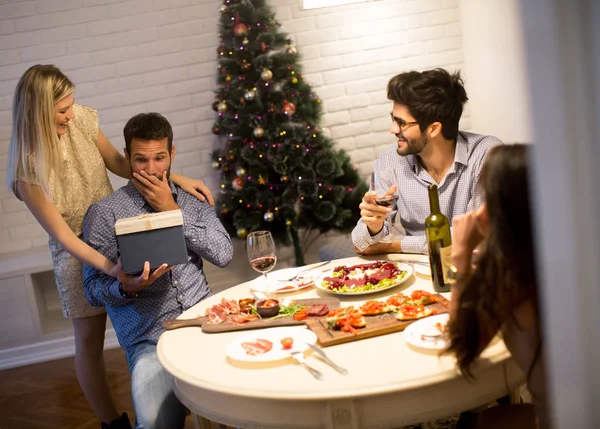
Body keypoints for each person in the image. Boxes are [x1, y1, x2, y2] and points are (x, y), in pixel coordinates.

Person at [5, 65, 215, 429]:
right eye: (62, 109)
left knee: (132, 320)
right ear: (39, 110)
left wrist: (175, 178)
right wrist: (111, 270)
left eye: (70, 104)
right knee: (89, 342)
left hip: (120, 232)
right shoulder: (28, 172)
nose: (70, 113)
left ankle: (162, 395)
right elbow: (66, 238)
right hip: (79, 256)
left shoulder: (81, 120)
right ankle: (112, 423)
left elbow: (121, 163)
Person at [82, 112, 234, 429]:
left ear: (171, 154)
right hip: (150, 344)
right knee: (152, 424)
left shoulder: (192, 200)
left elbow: (224, 254)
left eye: (159, 158)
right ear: (126, 156)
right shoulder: (103, 213)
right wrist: (125, 286)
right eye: (140, 160)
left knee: (253, 406)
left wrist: (173, 212)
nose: (151, 170)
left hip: (206, 326)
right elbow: (92, 291)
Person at [447, 144, 547, 428]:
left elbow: (461, 340)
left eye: (487, 198)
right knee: (488, 417)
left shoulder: (512, 279)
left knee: (474, 423)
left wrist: (461, 257)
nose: (479, 211)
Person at [351, 68, 503, 255]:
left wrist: (394, 245)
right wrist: (373, 227)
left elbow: (479, 237)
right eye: (393, 119)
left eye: (402, 123)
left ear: (433, 129)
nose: (393, 129)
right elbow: (361, 245)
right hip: (417, 277)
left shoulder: (485, 154)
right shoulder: (389, 160)